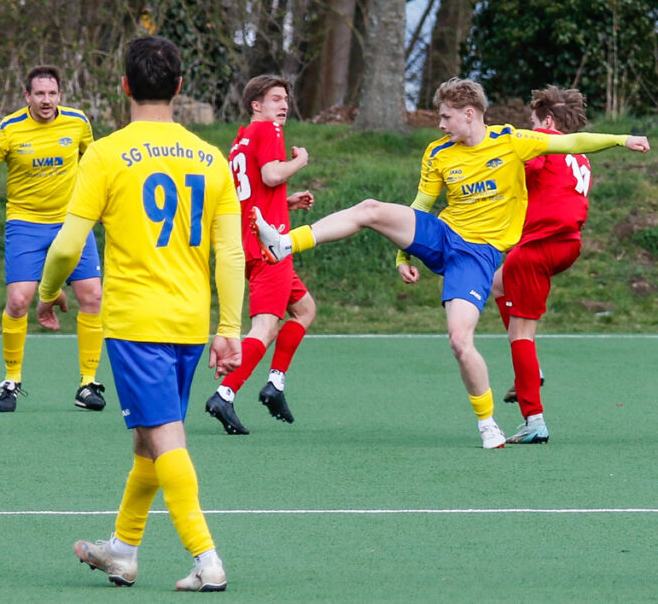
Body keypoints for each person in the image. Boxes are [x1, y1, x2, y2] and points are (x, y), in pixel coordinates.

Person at [250, 77, 649, 449]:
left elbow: (573, 140)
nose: (440, 124)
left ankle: (488, 423)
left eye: (445, 116)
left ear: (469, 114)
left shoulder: (512, 141)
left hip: (476, 256)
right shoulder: (438, 153)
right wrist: (403, 252)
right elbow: (422, 205)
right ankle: (285, 244)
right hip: (442, 235)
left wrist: (623, 139)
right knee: (370, 209)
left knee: (460, 341)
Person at [36, 36, 243, 591]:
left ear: (125, 86)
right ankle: (123, 551)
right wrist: (229, 328)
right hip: (189, 323)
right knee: (148, 439)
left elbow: (66, 245)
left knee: (165, 436)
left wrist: (48, 292)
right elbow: (230, 253)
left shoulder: (105, 154)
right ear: (180, 87)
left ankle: (207, 559)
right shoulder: (211, 158)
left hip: (135, 324)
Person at [0, 66, 105, 413]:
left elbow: (97, 167)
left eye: (52, 93)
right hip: (25, 224)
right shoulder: (8, 130)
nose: (46, 100)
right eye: (39, 94)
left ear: (60, 95)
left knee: (93, 295)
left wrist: (103, 207)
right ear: (27, 96)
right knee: (17, 301)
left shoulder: (78, 123)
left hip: (72, 221)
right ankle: (12, 380)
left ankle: (87, 383)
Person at [204, 74, 315, 435]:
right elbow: (270, 175)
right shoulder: (268, 130)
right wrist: (300, 161)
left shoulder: (240, 140)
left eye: (286, 99)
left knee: (305, 309)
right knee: (265, 327)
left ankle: (275, 384)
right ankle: (225, 393)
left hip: (250, 241)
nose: (284, 105)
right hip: (270, 248)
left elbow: (252, 191)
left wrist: (286, 201)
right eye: (276, 99)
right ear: (257, 105)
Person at [492, 86, 591, 444]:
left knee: (521, 334)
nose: (530, 129)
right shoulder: (580, 154)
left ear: (547, 122)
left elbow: (512, 166)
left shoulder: (543, 144)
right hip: (568, 244)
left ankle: (534, 421)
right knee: (497, 282)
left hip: (538, 246)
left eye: (533, 123)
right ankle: (531, 368)